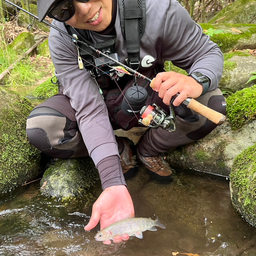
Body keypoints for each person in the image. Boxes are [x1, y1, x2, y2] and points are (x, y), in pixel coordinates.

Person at [26, 0, 226, 244]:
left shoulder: (159, 10)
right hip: (96, 106)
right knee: (44, 128)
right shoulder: (62, 36)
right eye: (65, 9)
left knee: (210, 103)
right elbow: (88, 108)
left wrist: (197, 80)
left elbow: (207, 53)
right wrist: (112, 183)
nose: (85, 10)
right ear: (56, 16)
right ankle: (120, 149)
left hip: (149, 97)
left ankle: (148, 149)